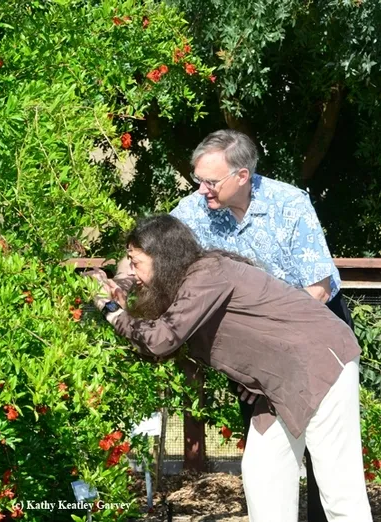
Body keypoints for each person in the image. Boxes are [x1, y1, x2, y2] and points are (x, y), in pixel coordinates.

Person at [113, 129, 351, 522]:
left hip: (312, 335)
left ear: (242, 175)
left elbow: (318, 289)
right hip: (255, 348)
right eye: (198, 179)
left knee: (328, 471)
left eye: (210, 180)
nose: (201, 189)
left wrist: (271, 350)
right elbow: (146, 248)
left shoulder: (288, 202)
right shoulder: (194, 208)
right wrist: (120, 285)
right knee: (267, 468)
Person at [87, 214, 372, 522]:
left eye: (136, 262)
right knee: (264, 472)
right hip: (280, 380)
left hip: (321, 361)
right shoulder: (188, 282)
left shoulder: (206, 275)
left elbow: (160, 340)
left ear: (162, 257)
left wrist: (112, 310)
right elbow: (159, 337)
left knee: (339, 487)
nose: (134, 273)